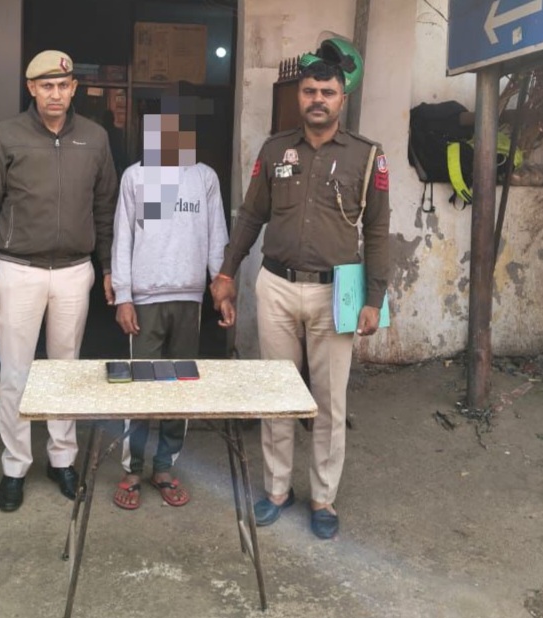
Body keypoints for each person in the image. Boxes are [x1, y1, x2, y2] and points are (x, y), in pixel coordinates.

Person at [210, 42, 390, 539]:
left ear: (342, 98)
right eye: (310, 91)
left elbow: (377, 230)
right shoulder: (275, 150)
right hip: (277, 287)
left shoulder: (367, 156)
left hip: (336, 294)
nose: (317, 99)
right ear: (299, 96)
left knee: (329, 402)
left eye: (327, 92)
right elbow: (250, 216)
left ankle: (323, 498)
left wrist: (375, 299)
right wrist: (227, 273)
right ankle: (276, 489)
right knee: (277, 393)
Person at [0, 50, 118, 512]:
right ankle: (15, 466)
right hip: (18, 270)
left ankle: (62, 458)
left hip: (74, 271)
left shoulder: (94, 138)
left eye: (63, 85)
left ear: (74, 89)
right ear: (31, 88)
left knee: (65, 370)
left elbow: (106, 209)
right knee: (16, 373)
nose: (55, 94)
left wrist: (109, 267)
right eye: (46, 85)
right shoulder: (6, 136)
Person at [110, 94, 233, 510]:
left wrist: (221, 288)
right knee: (142, 386)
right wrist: (123, 297)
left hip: (189, 298)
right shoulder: (135, 177)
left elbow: (217, 236)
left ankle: (164, 467)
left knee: (179, 386)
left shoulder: (204, 178)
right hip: (145, 298)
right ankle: (133, 468)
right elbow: (122, 239)